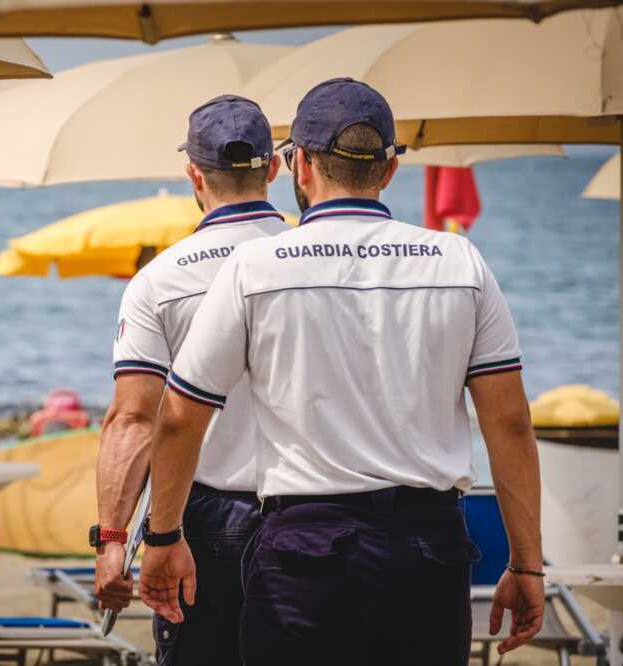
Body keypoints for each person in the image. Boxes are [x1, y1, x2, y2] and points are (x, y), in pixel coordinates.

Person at [138, 78, 544, 665]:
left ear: (299, 164)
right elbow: (509, 423)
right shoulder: (460, 263)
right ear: (389, 170)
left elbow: (179, 418)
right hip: (429, 552)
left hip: (305, 553)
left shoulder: (257, 267)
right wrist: (527, 563)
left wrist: (164, 536)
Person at [92, 95, 284, 666]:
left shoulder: (160, 280)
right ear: (274, 168)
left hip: (206, 522)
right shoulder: (316, 262)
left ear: (193, 175)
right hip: (318, 517)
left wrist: (111, 540)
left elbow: (134, 418)